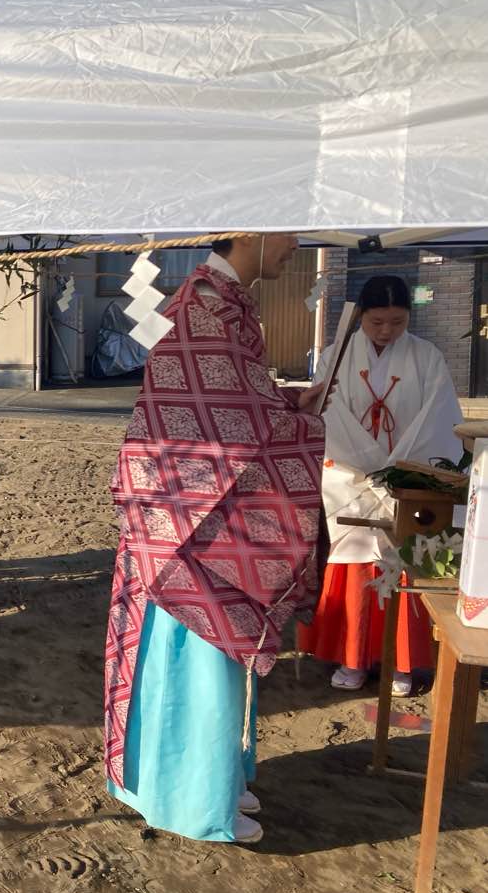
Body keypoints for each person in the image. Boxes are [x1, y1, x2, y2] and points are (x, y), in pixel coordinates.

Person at [103, 234, 327, 845]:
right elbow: (220, 418)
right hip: (187, 519)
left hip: (191, 511)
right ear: (255, 231)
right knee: (199, 657)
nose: (295, 248)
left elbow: (233, 409)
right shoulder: (207, 304)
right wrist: (299, 422)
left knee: (209, 657)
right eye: (289, 235)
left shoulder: (221, 302)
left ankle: (216, 782)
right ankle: (191, 798)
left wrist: (285, 405)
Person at [298, 275, 463, 696]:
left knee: (405, 560)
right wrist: (370, 467)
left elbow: (439, 419)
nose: (387, 331)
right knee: (354, 561)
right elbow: (326, 415)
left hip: (407, 476)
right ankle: (352, 658)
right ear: (360, 318)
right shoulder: (336, 354)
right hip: (348, 474)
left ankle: (401, 663)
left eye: (397, 321)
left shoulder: (427, 357)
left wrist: (397, 471)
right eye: (377, 322)